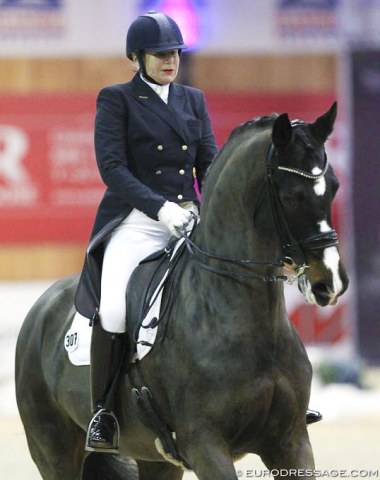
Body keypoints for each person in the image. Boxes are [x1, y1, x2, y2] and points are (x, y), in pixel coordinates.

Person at [74, 11, 218, 454]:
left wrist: (205, 207)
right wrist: (161, 209)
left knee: (239, 286)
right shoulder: (116, 99)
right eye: (160, 54)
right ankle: (104, 412)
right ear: (136, 58)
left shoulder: (192, 99)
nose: (170, 59)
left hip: (190, 218)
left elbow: (208, 162)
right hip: (138, 221)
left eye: (175, 52)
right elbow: (112, 169)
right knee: (115, 310)